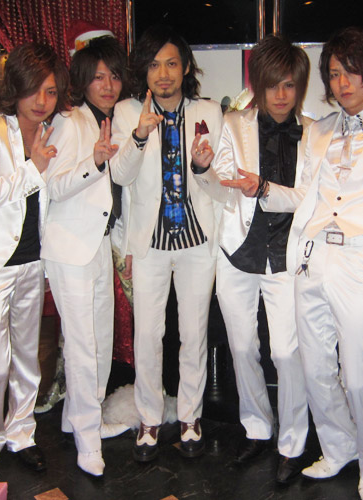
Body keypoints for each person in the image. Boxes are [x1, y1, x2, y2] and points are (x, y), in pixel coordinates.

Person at [222, 27, 363, 500]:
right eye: (334, 74)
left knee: (358, 376)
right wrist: (262, 189)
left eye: (351, 72)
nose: (343, 83)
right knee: (315, 368)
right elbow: (303, 196)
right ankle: (338, 447)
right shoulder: (319, 130)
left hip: (362, 262)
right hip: (312, 257)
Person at [191, 34, 311, 483]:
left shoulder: (313, 132)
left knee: (286, 351)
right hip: (238, 250)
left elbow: (309, 198)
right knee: (242, 347)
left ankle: (293, 442)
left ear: (300, 87)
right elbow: (220, 189)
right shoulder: (233, 123)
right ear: (257, 85)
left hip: (286, 255)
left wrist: (263, 188)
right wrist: (203, 169)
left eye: (289, 85)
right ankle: (257, 428)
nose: (280, 95)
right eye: (272, 85)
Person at [110, 25, 223, 462]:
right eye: (155, 64)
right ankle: (149, 418)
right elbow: (120, 175)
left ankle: (191, 416)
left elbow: (217, 182)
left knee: (193, 333)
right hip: (150, 242)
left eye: (172, 63)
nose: (163, 73)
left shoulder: (208, 112)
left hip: (196, 240)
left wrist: (202, 168)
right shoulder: (126, 112)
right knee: (149, 335)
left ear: (186, 67)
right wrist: (139, 136)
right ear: (145, 70)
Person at [0, 42, 69, 477]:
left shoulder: (52, 131)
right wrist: (32, 168)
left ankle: (22, 433)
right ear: (16, 88)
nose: (42, 101)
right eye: (34, 90)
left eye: (51, 91)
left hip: (32, 261)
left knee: (28, 357)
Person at [41, 29, 125, 477]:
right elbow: (54, 186)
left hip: (97, 245)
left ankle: (81, 418)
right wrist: (94, 162)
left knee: (100, 340)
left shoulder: (109, 120)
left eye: (113, 76)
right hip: (69, 247)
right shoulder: (69, 121)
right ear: (82, 80)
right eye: (97, 77)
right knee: (82, 344)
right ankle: (88, 440)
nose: (107, 85)